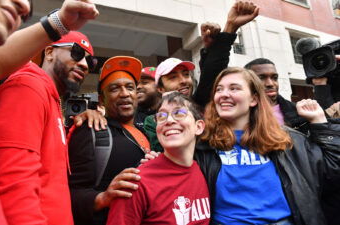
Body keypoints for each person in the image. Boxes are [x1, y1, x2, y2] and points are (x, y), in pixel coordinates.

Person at [0, 0, 98, 224]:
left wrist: (60, 23)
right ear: (49, 52)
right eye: (76, 53)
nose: (85, 64)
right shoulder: (28, 87)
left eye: (90, 60)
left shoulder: (50, 97)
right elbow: (13, 182)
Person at [195, 67, 340, 225]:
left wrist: (320, 122)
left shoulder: (287, 140)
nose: (223, 94)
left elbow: (331, 173)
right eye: (219, 89)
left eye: (234, 88)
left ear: (253, 99)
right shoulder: (202, 145)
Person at [143, 1, 259, 152]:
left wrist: (230, 27)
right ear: (160, 88)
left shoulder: (201, 104)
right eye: (173, 77)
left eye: (186, 74)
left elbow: (212, 72)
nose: (183, 81)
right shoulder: (152, 121)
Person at [68, 56, 150, 225]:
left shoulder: (146, 131)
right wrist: (102, 198)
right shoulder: (91, 129)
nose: (125, 93)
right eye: (114, 89)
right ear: (101, 99)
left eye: (130, 87)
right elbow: (70, 191)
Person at [107, 92, 209, 225]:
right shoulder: (134, 182)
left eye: (179, 113)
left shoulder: (205, 171)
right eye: (161, 116)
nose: (169, 120)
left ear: (199, 126)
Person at [244, 58, 308, 133]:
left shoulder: (299, 111)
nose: (270, 84)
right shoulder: (239, 113)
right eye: (261, 78)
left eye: (274, 78)